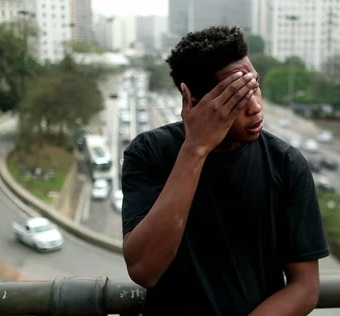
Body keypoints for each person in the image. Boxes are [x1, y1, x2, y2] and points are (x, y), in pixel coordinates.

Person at [121, 26, 329, 316]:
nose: (256, 108)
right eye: (237, 97)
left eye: (254, 88)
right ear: (192, 100)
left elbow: (305, 287)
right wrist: (195, 148)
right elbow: (144, 269)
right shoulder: (150, 153)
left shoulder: (286, 164)